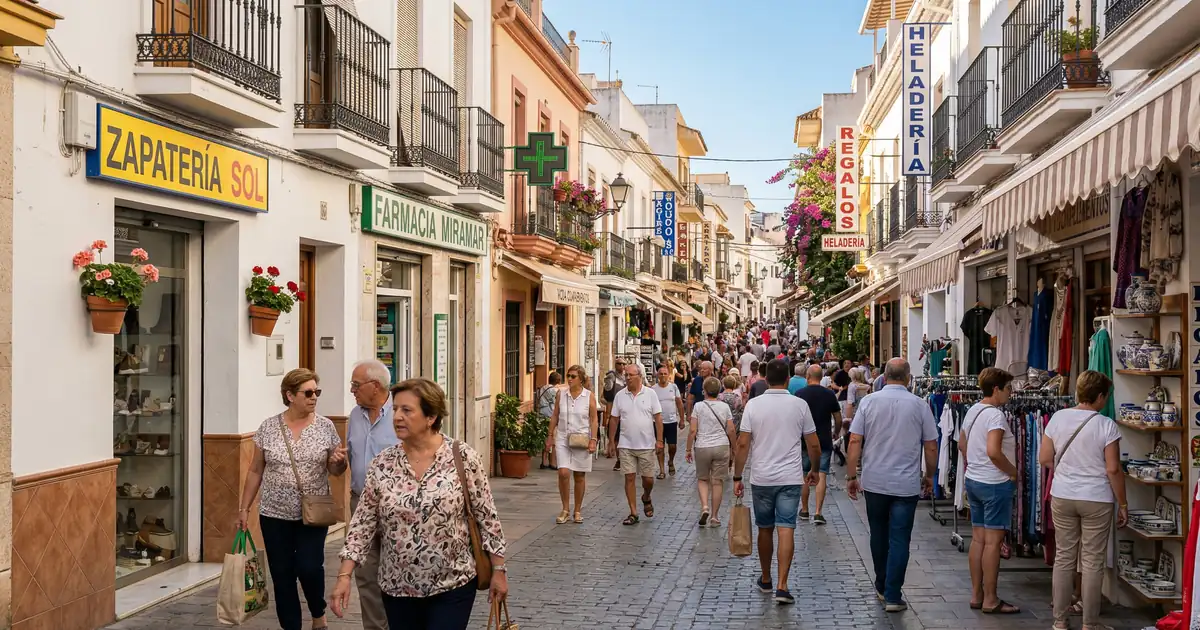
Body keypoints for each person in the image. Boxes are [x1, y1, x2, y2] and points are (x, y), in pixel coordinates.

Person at [330, 379, 508, 629]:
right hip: (397, 588)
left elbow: (487, 517)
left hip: (452, 584)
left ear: (431, 417)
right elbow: (362, 525)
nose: (397, 417)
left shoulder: (463, 456)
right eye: (395, 409)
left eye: (407, 410)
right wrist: (344, 576)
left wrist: (498, 569)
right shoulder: (383, 464)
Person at [237, 369, 346, 630]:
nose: (314, 397)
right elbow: (255, 470)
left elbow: (335, 470)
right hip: (274, 514)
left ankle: (317, 612)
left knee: (309, 567)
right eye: (307, 393)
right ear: (289, 395)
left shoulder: (325, 427)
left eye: (316, 392)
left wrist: (338, 464)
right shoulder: (268, 427)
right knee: (282, 575)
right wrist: (244, 508)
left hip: (313, 512)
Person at [846, 358, 937, 613]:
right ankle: (893, 594)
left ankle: (881, 583)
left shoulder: (869, 402)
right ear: (908, 378)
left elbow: (855, 440)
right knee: (899, 537)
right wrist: (930, 476)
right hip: (905, 484)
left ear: (883, 377)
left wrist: (851, 475)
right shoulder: (920, 405)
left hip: (875, 481)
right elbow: (931, 445)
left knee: (878, 532)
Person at [1040, 370, 1127, 630]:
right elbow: (1113, 469)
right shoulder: (1106, 425)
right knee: (1092, 561)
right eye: (1106, 396)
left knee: (1064, 558)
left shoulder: (1057, 418)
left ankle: (1060, 622)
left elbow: (1045, 459)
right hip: (1096, 499)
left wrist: (1068, 471)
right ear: (1099, 396)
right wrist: (1122, 504)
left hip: (1063, 494)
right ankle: (1090, 623)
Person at [733, 359, 821, 606]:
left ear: (765, 378)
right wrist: (814, 469)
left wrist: (737, 476)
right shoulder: (799, 405)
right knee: (786, 528)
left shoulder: (753, 405)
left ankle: (765, 578)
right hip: (790, 477)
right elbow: (813, 444)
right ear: (788, 379)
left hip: (762, 477)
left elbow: (742, 444)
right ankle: (783, 585)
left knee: (764, 528)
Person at [959, 367, 1020, 615]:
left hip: (974, 479)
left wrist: (973, 463)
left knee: (978, 539)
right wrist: (1012, 472)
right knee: (993, 543)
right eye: (1008, 388)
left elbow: (962, 443)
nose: (1010, 393)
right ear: (996, 389)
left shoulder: (972, 410)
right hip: (994, 483)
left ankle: (977, 594)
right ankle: (991, 599)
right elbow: (994, 451)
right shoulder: (995, 416)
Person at [346, 360, 399, 630]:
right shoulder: (355, 415)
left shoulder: (402, 414)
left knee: (398, 572)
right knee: (366, 575)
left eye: (356, 385)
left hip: (395, 508)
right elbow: (346, 461)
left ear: (375, 386)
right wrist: (335, 462)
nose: (351, 390)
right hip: (359, 504)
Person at [607, 363, 664, 525]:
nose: (628, 377)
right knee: (629, 477)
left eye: (631, 375)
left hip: (646, 444)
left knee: (648, 480)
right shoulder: (620, 395)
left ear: (639, 376)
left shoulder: (650, 394)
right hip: (626, 444)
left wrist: (659, 440)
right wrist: (611, 441)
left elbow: (658, 418)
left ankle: (646, 496)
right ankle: (633, 512)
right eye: (626, 375)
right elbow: (614, 419)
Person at [547, 365, 599, 524]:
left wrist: (593, 439)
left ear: (581, 379)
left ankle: (577, 510)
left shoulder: (588, 396)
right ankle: (565, 509)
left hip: (581, 438)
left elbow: (594, 419)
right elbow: (555, 415)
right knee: (563, 472)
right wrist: (550, 436)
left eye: (573, 376)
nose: (569, 379)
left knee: (579, 475)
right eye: (568, 376)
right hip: (563, 437)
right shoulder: (561, 394)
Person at [793, 364, 842, 525]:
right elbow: (838, 418)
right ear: (821, 377)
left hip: (805, 440)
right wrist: (837, 432)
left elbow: (795, 419)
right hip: (824, 439)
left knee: (805, 474)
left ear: (807, 376)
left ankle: (805, 509)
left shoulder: (800, 394)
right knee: (821, 474)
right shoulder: (829, 394)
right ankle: (818, 512)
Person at [686, 377, 735, 527]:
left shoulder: (699, 407)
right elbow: (731, 429)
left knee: (703, 479)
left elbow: (693, 430)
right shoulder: (725, 407)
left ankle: (705, 507)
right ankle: (714, 517)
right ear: (719, 391)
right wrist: (734, 447)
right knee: (717, 482)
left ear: (704, 391)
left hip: (702, 446)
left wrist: (688, 449)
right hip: (721, 446)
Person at [651, 364, 685, 478]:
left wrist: (682, 420)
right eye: (661, 374)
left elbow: (679, 403)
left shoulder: (673, 387)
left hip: (671, 421)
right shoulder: (653, 389)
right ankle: (661, 470)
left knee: (672, 446)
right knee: (660, 446)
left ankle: (670, 460)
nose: (663, 376)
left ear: (668, 375)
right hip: (657, 422)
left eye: (665, 373)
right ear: (657, 375)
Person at [603, 358, 628, 471]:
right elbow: (607, 396)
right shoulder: (611, 377)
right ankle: (619, 459)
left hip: (627, 409)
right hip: (615, 409)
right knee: (616, 436)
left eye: (623, 364)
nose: (621, 365)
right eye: (619, 363)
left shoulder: (628, 376)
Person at [536, 372, 563, 470]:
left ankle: (544, 461)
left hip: (541, 415)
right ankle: (553, 462)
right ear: (558, 381)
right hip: (550, 416)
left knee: (545, 439)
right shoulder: (554, 391)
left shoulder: (542, 388)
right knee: (554, 439)